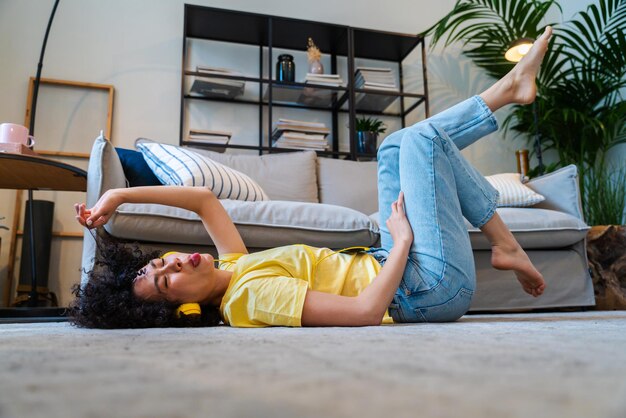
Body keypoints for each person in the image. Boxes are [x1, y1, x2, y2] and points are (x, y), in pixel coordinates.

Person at [70, 27, 552, 329]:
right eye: (168, 282)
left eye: (160, 263)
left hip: (398, 264)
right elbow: (364, 313)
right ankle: (506, 92)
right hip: (425, 291)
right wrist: (402, 242)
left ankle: (505, 242)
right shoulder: (249, 296)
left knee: (394, 145)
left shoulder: (234, 269)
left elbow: (203, 201)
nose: (173, 264)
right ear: (184, 311)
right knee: (423, 143)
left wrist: (118, 193)